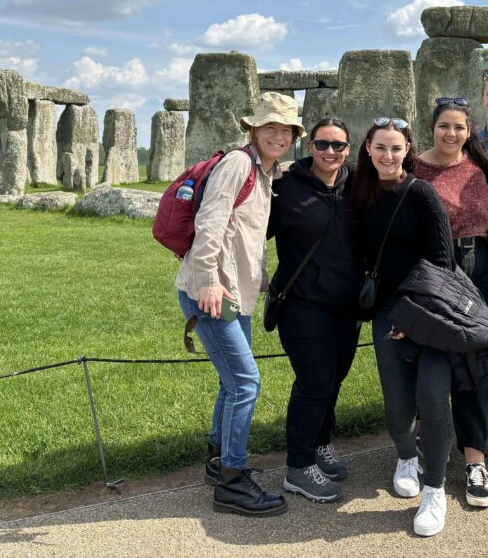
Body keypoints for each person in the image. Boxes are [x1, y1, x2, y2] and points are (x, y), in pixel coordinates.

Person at [175, 91, 303, 518]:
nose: (278, 135)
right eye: (270, 127)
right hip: (212, 292)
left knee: (232, 382)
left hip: (235, 295)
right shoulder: (237, 164)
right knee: (245, 383)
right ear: (253, 129)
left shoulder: (263, 172)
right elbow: (210, 220)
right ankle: (232, 479)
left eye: (286, 129)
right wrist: (209, 280)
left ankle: (218, 460)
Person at [350, 117, 455, 537]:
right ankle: (406, 455)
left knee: (431, 395)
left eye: (396, 148)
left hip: (428, 308)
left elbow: (443, 262)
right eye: (380, 148)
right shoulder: (362, 192)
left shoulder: (422, 194)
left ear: (408, 149)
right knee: (396, 401)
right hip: (386, 310)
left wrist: (413, 317)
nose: (388, 156)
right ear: (369, 150)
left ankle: (435, 489)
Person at [267, 118, 360, 504]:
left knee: (334, 378)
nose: (330, 152)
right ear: (309, 147)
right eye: (322, 144)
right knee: (315, 380)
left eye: (338, 146)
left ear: (349, 149)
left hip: (346, 304)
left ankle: (321, 445)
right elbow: (249, 227)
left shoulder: (357, 185)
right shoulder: (285, 186)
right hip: (302, 303)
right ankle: (298, 466)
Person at [413, 97, 488, 508]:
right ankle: (425, 448)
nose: (451, 134)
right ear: (432, 126)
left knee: (475, 365)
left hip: (480, 268)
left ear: (469, 131)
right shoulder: (413, 167)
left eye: (459, 127)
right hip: (436, 270)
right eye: (445, 125)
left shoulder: (480, 168)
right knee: (435, 364)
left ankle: (475, 459)